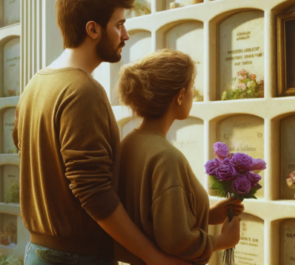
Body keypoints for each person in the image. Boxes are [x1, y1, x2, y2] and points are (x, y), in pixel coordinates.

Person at [13, 1, 190, 264]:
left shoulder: (35, 84)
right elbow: (94, 194)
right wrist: (155, 258)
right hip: (77, 258)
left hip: (38, 253)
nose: (126, 35)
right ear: (93, 29)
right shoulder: (82, 90)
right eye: (119, 25)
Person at [115, 48, 244, 265]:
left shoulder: (129, 143)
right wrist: (222, 240)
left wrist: (209, 215)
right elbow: (175, 240)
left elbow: (153, 217)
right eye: (192, 87)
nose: (194, 93)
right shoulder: (166, 158)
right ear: (180, 96)